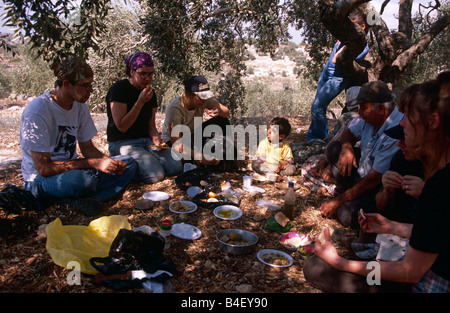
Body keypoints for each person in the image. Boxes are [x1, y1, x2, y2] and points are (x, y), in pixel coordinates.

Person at [304, 78, 450, 293]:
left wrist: (339, 262)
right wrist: (390, 226)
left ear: (434, 121)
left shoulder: (439, 186)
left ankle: (368, 281)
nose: (402, 124)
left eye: (408, 118)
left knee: (316, 268)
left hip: (422, 284)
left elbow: (410, 271)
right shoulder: (438, 176)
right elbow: (437, 233)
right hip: (419, 266)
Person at [20, 58, 138, 217]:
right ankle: (83, 194)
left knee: (128, 163)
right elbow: (44, 168)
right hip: (39, 179)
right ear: (67, 84)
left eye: (91, 85)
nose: (90, 90)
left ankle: (87, 199)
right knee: (82, 181)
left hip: (73, 169)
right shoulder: (38, 111)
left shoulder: (80, 107)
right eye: (85, 85)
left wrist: (109, 162)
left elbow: (88, 148)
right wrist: (93, 163)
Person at [319, 80, 404, 229]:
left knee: (346, 215)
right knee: (334, 148)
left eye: (364, 108)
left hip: (379, 189)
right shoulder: (368, 119)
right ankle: (347, 194)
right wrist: (346, 148)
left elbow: (374, 179)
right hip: (362, 174)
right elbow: (348, 133)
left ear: (382, 109)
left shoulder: (396, 130)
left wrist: (339, 202)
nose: (360, 112)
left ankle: (348, 200)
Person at [106, 52, 182, 184]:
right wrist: (139, 103)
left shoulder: (150, 93)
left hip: (146, 142)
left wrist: (158, 142)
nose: (147, 78)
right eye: (142, 74)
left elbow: (151, 125)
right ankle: (126, 166)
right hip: (122, 142)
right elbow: (122, 127)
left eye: (150, 74)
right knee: (156, 175)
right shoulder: (119, 90)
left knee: (176, 166)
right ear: (132, 72)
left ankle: (147, 163)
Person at [306, 9, 370, 140]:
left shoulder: (362, 46)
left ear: (362, 26)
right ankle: (312, 138)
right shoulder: (347, 38)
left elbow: (336, 59)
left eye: (352, 26)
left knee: (317, 107)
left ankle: (322, 139)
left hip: (338, 78)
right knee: (317, 107)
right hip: (327, 72)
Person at [161, 75, 231, 167]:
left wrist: (219, 111)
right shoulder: (175, 109)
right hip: (176, 141)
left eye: (206, 97)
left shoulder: (203, 100)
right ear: (189, 95)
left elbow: (226, 111)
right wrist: (199, 156)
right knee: (185, 161)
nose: (204, 100)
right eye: (201, 97)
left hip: (194, 135)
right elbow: (177, 144)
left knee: (222, 121)